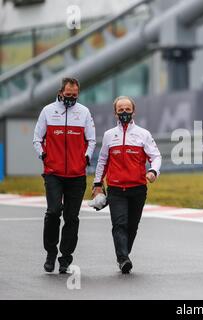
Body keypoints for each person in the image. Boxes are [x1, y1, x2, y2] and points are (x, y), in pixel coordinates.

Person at [33, 77, 96, 273]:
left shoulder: (84, 112)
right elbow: (37, 138)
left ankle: (65, 257)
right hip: (53, 172)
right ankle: (51, 252)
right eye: (68, 95)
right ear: (61, 92)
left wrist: (85, 159)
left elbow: (92, 140)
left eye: (74, 95)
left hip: (77, 175)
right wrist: (44, 156)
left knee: (72, 217)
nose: (71, 98)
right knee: (53, 212)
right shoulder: (47, 111)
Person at [92, 96, 161, 274]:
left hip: (137, 188)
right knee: (119, 224)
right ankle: (123, 258)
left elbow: (156, 156)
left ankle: (124, 253)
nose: (124, 112)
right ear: (115, 113)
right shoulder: (109, 135)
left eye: (127, 109)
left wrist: (153, 171)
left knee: (132, 226)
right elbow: (102, 162)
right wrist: (97, 183)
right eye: (120, 109)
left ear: (133, 111)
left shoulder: (143, 134)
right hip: (116, 189)